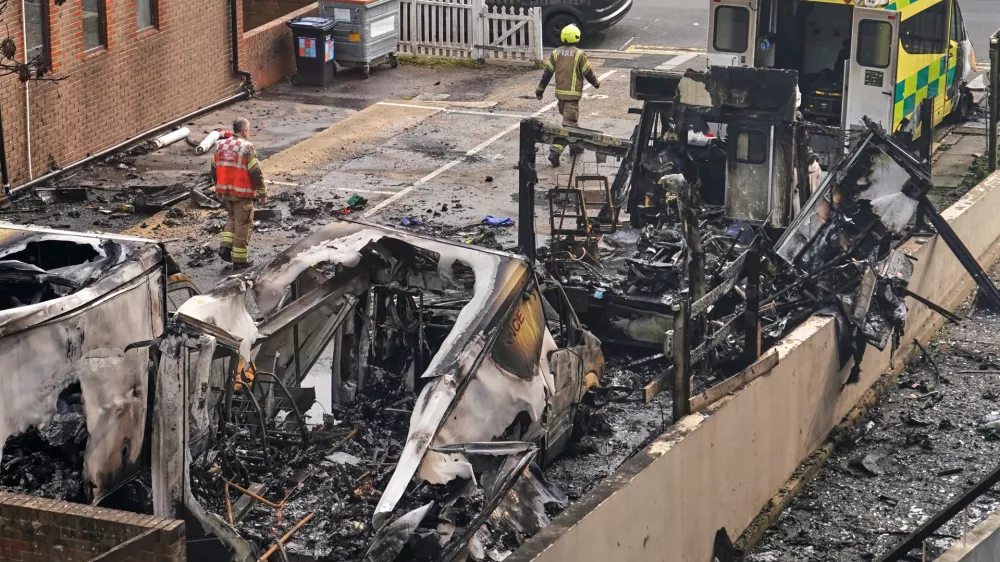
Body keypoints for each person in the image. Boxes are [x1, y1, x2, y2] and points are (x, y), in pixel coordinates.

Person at [534, 23, 601, 167]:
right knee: (568, 125)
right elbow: (588, 73)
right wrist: (596, 83)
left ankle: (575, 147)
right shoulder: (579, 54)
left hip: (560, 97)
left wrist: (540, 89)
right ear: (576, 37)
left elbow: (547, 74)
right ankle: (555, 151)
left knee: (571, 122)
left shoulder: (555, 53)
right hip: (572, 97)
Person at [213, 117, 267, 269]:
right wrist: (263, 193)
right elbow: (255, 172)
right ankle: (240, 261)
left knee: (232, 217)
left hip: (225, 192)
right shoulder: (247, 147)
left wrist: (218, 188)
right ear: (244, 130)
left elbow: (214, 168)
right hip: (241, 194)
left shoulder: (220, 145)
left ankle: (225, 247)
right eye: (248, 130)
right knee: (243, 224)